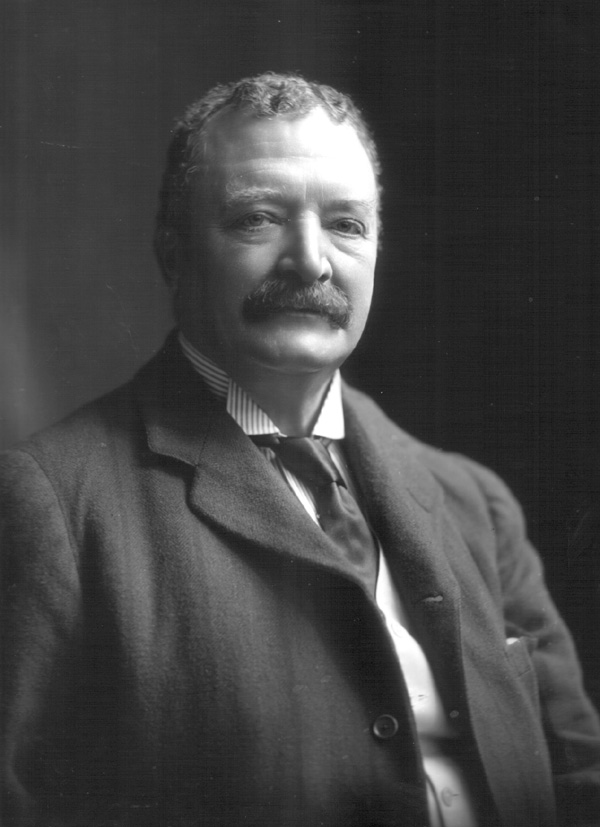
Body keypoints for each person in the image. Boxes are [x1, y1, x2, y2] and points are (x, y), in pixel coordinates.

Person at [1, 72, 599, 827]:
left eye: (346, 224)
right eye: (258, 218)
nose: (311, 260)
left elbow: (579, 781)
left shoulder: (476, 502)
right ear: (174, 251)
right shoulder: (52, 503)